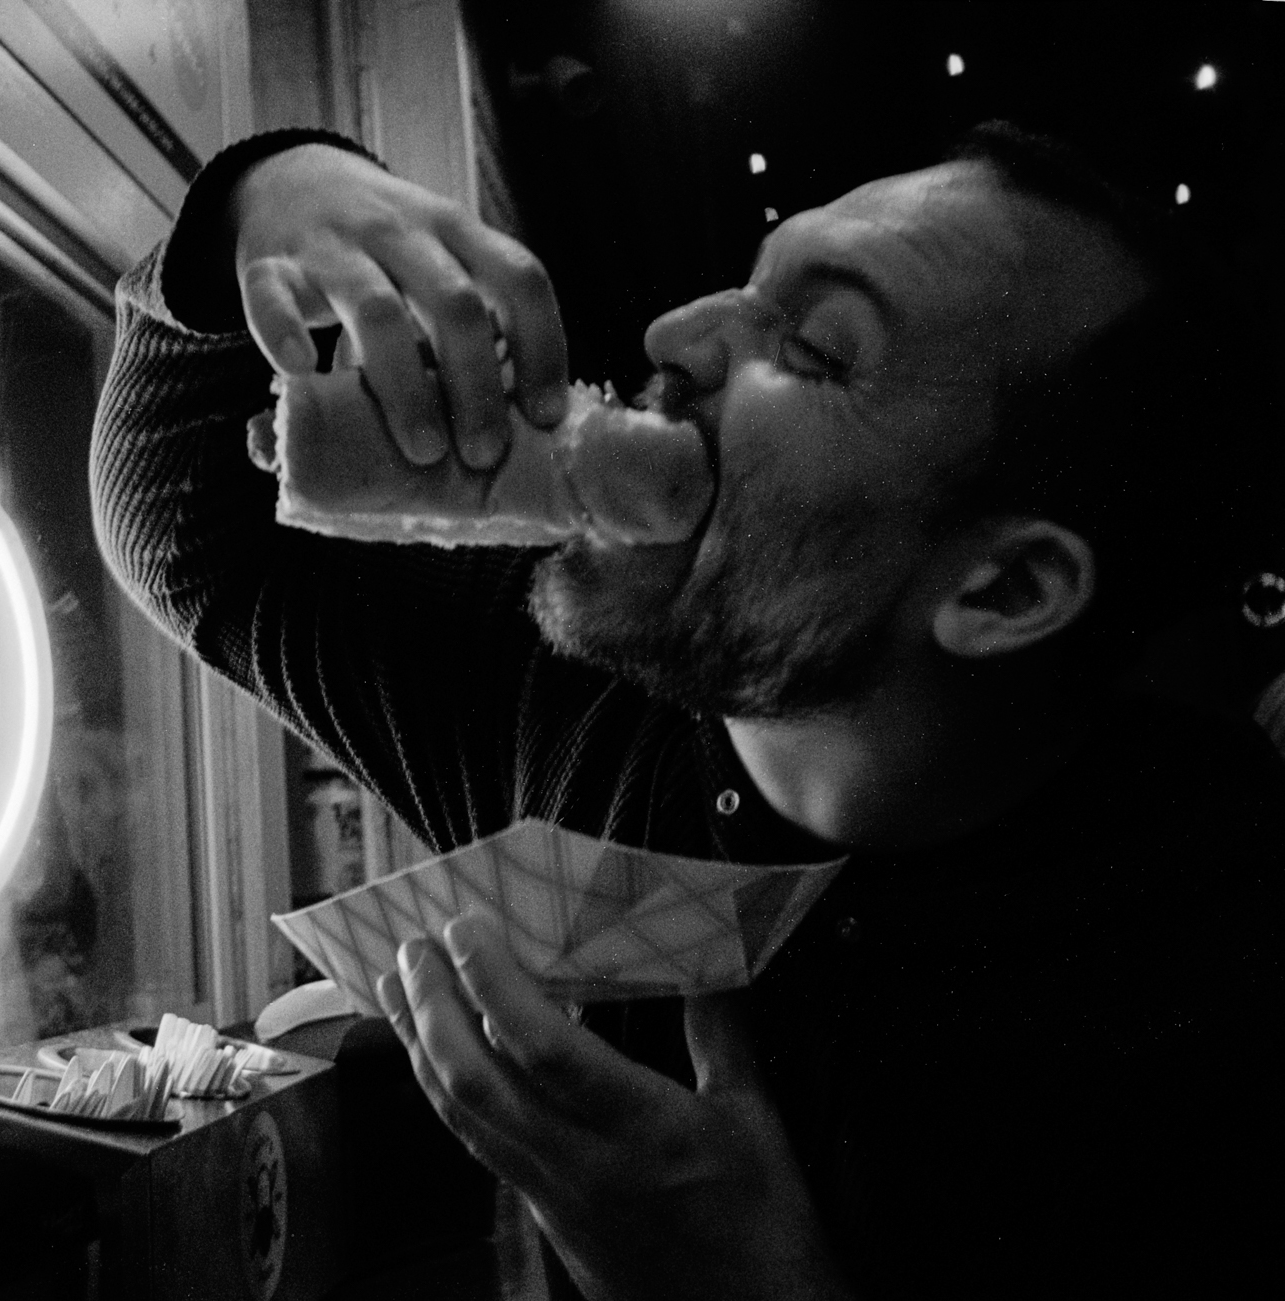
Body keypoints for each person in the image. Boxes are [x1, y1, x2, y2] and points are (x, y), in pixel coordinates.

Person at [90, 121, 1284, 1299]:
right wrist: (267, 199)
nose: (676, 334)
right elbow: (186, 530)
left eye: (814, 347)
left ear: (1006, 588)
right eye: (751, 285)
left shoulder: (1212, 982)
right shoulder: (561, 693)